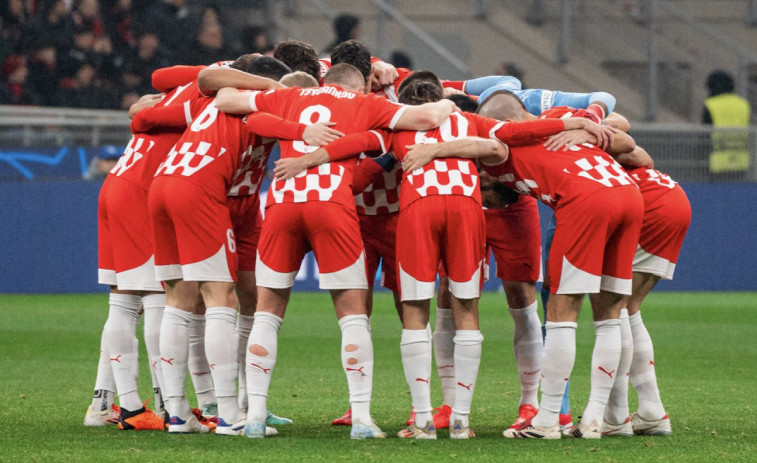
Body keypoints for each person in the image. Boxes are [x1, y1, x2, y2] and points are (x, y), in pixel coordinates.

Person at [213, 63, 458, 439]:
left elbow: (229, 102)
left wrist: (299, 131)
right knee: (352, 313)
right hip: (333, 204)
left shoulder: (290, 96)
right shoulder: (365, 105)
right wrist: (450, 105)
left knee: (267, 311)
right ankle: (361, 418)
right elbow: (426, 116)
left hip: (282, 202)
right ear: (358, 88)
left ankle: (256, 415)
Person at [134, 57, 341, 436]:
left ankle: (178, 413)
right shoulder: (256, 96)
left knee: (178, 300)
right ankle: (228, 414)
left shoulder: (232, 94)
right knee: (220, 299)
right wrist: (298, 124)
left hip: (166, 182)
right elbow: (250, 113)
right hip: (199, 188)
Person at [476, 91, 643, 440]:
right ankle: (596, 420)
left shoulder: (500, 147)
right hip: (627, 195)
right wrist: (589, 130)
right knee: (610, 314)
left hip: (584, 200)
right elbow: (627, 142)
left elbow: (476, 150)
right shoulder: (564, 114)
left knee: (561, 312)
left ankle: (548, 419)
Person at [702, 70, 751, 178]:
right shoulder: (743, 104)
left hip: (717, 162)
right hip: (741, 160)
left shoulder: (710, 104)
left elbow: (704, 135)